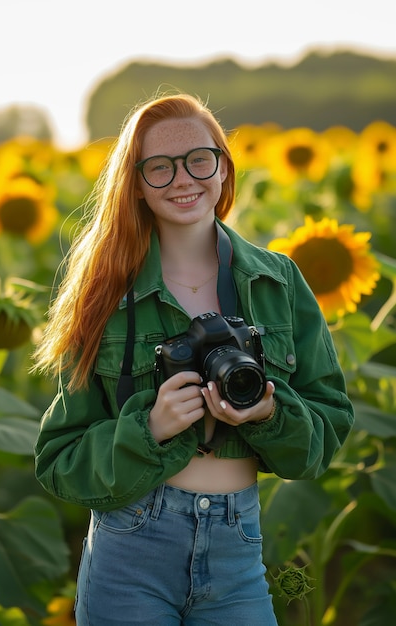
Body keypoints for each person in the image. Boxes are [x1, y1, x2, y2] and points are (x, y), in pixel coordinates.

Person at [34, 93, 354, 626]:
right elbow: (58, 459)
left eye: (199, 160)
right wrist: (149, 428)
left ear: (224, 167)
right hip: (131, 549)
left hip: (237, 549)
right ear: (135, 183)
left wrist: (268, 415)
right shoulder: (102, 294)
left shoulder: (278, 283)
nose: (183, 179)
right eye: (159, 167)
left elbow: (327, 432)